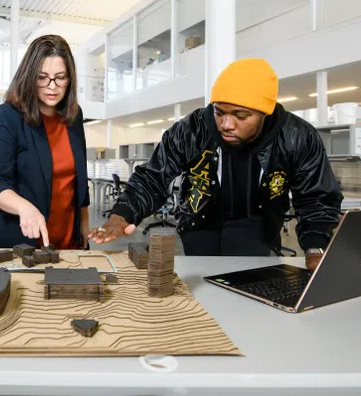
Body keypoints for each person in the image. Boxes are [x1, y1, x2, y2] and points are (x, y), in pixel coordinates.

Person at [89, 58, 343, 271]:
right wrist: (122, 214)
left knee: (250, 285)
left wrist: (315, 246)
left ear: (264, 113)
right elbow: (153, 177)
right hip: (200, 221)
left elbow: (316, 197)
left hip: (258, 223)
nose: (226, 125)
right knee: (204, 289)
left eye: (240, 116)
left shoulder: (297, 135)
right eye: (219, 112)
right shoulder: (192, 129)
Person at [0, 35, 90, 249]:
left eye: (60, 77)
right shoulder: (6, 116)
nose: (52, 86)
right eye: (42, 77)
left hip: (66, 240)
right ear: (29, 77)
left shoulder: (73, 117)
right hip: (19, 242)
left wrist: (84, 220)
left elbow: (79, 177)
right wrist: (23, 207)